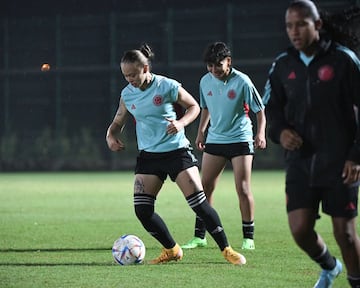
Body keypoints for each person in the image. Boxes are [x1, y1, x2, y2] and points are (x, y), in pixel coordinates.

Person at [106, 43, 246, 265]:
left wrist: (181, 123)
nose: (129, 79)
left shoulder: (166, 86)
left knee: (199, 204)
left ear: (145, 69)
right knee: (142, 210)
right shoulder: (127, 94)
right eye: (125, 75)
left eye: (133, 74)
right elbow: (117, 122)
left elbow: (194, 107)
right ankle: (172, 249)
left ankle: (227, 249)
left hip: (176, 152)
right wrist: (111, 136)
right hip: (149, 157)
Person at [263, 1, 360, 287]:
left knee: (345, 233)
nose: (294, 31)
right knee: (300, 229)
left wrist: (355, 155)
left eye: (301, 24)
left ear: (316, 25)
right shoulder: (282, 64)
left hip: (340, 161)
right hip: (301, 162)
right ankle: (330, 267)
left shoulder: (344, 60)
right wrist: (279, 133)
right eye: (289, 25)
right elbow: (273, 110)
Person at [181, 42, 266, 251]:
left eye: (218, 65)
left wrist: (260, 133)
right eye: (209, 66)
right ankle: (200, 236)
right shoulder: (205, 81)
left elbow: (260, 110)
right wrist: (201, 131)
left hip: (240, 139)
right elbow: (206, 107)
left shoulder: (242, 81)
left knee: (243, 188)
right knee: (204, 189)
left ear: (229, 62)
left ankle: (248, 238)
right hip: (216, 140)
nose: (213, 70)